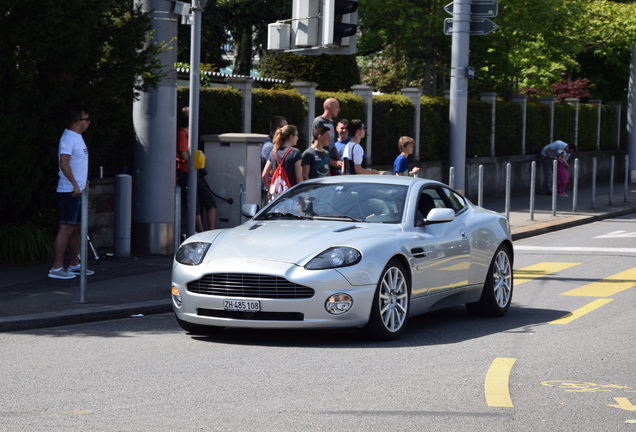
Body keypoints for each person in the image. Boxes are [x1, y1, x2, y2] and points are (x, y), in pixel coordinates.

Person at [49, 105, 94, 279]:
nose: (89, 123)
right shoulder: (68, 138)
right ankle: (56, 268)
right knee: (66, 229)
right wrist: (75, 184)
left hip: (78, 190)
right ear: (77, 122)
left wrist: (85, 182)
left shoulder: (78, 138)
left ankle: (74, 264)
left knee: (76, 230)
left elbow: (78, 165)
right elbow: (64, 163)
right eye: (86, 119)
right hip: (69, 191)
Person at [176, 107, 216, 232]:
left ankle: (210, 231)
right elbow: (183, 155)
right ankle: (201, 232)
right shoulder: (183, 134)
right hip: (186, 173)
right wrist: (198, 159)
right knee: (194, 206)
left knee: (210, 202)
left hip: (195, 173)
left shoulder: (191, 134)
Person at [262, 125, 303, 201]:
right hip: (291, 196)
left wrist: (269, 190)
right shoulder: (295, 152)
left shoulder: (273, 152)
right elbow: (298, 177)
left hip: (276, 196)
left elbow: (264, 175)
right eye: (297, 135)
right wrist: (302, 195)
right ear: (291, 136)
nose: (298, 138)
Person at [311, 98, 342, 175]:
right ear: (330, 107)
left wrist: (339, 160)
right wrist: (332, 162)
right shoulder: (319, 121)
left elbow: (333, 144)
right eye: (337, 107)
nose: (339, 110)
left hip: (332, 166)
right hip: (323, 166)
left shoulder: (331, 122)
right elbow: (314, 145)